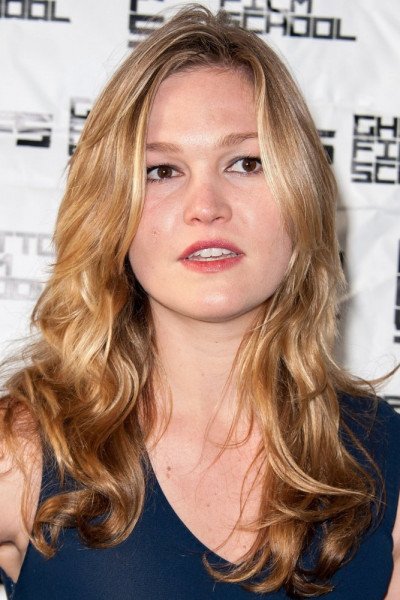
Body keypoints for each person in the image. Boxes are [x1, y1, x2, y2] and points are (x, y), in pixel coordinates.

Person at [0, 5, 399, 599]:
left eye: (246, 163)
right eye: (162, 171)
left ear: (302, 196)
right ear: (114, 210)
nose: (206, 206)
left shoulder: (385, 458)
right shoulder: (24, 449)